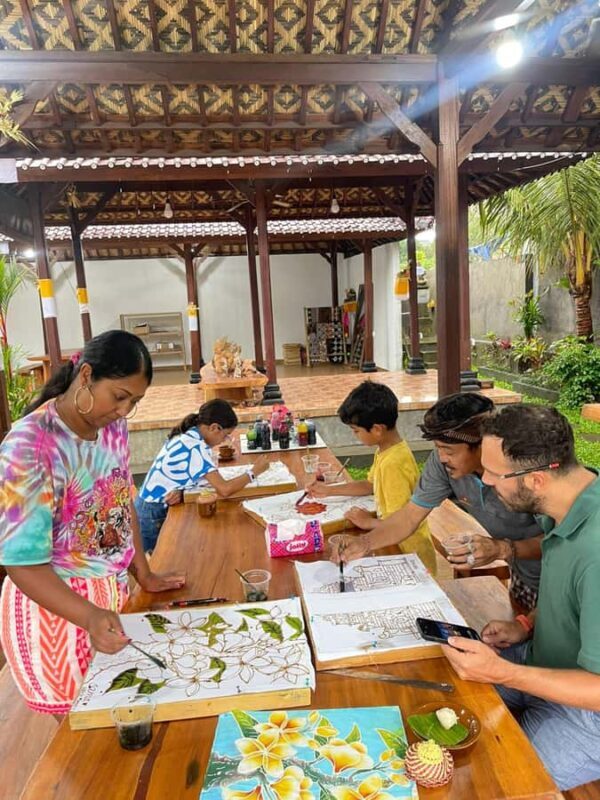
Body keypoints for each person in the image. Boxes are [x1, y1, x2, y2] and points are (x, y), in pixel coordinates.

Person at [0, 330, 186, 715]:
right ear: (85, 376)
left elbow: (120, 500)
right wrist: (87, 615)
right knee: (85, 743)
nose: (123, 411)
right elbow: (19, 561)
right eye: (120, 397)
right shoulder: (31, 446)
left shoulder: (110, 426)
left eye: (133, 402)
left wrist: (143, 572)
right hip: (57, 613)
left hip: (107, 603)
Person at [442, 404, 600, 791]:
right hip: (539, 662)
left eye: (494, 473)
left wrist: (503, 672)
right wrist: (525, 624)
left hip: (587, 715)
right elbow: (566, 586)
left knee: (485, 782)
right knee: (445, 688)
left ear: (537, 480)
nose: (486, 481)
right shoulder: (572, 501)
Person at [335, 393, 543, 612]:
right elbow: (410, 516)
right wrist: (365, 543)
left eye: (449, 451)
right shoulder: (444, 463)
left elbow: (563, 540)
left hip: (562, 578)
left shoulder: (526, 471)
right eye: (438, 448)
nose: (442, 458)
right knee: (525, 631)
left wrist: (503, 549)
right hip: (523, 576)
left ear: (484, 445)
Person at [309, 381, 437, 573]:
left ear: (377, 429)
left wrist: (368, 522)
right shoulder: (386, 450)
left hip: (409, 554)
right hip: (392, 545)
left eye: (356, 431)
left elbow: (402, 522)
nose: (355, 436)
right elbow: (370, 484)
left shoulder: (393, 464)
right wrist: (328, 490)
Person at [135, 399, 269, 551]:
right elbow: (224, 490)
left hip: (149, 505)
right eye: (226, 435)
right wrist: (254, 472)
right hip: (153, 513)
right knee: (160, 561)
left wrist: (181, 491)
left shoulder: (188, 434)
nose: (225, 441)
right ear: (214, 428)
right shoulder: (195, 447)